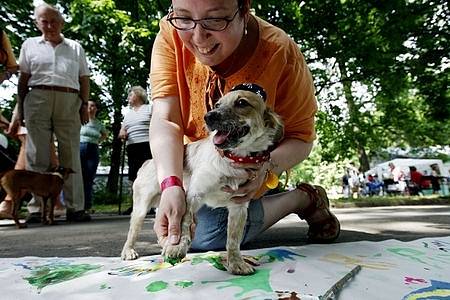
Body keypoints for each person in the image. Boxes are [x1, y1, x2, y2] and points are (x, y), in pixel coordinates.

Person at [149, 0, 340, 251]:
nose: (198, 37)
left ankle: (301, 198)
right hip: (198, 164)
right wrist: (171, 184)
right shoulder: (169, 34)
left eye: (215, 19)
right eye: (184, 18)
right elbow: (166, 119)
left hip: (255, 164)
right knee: (174, 214)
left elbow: (301, 138)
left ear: (244, 10)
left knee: (208, 234)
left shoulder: (279, 51)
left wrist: (265, 168)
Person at [11, 2, 91, 222]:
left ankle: (76, 208)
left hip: (69, 98)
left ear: (62, 22)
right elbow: (23, 79)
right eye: (44, 21)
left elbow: (84, 78)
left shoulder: (75, 47)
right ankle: (37, 210)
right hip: (37, 98)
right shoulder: (29, 45)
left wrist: (84, 104)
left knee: (71, 153)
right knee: (36, 155)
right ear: (37, 23)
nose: (49, 25)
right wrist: (20, 107)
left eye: (54, 21)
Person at [118, 86, 152, 214]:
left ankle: (151, 205)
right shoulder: (128, 115)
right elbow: (122, 129)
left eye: (130, 95)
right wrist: (122, 132)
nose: (128, 98)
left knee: (149, 174)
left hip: (147, 144)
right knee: (134, 176)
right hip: (132, 146)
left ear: (138, 95)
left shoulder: (149, 108)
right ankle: (136, 205)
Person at [80, 100, 108, 212]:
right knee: (78, 177)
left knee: (89, 177)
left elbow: (105, 134)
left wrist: (97, 142)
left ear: (96, 109)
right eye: (88, 106)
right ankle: (75, 205)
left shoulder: (98, 123)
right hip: (80, 147)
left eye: (93, 106)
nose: (90, 108)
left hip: (93, 149)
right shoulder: (80, 120)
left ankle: (87, 205)